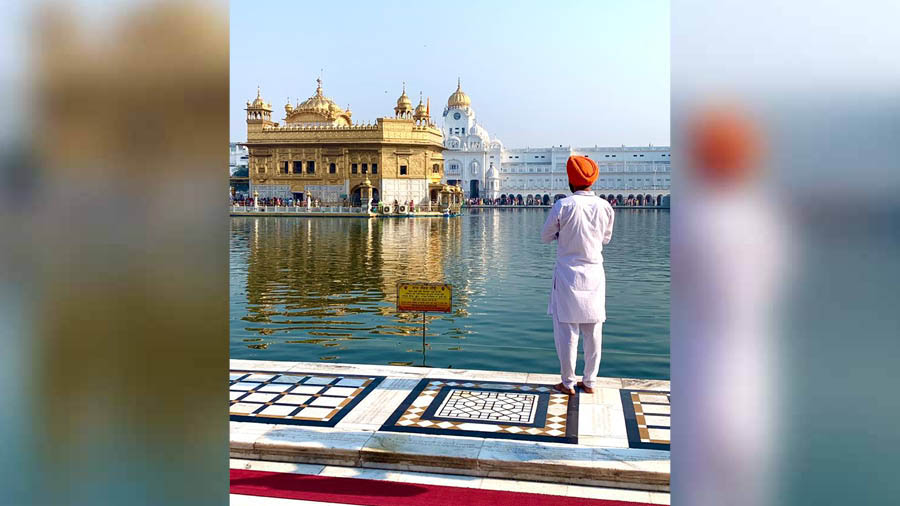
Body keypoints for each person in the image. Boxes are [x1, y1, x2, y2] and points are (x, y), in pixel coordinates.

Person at [541, 155, 615, 396]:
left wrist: (563, 236)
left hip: (568, 275)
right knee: (593, 331)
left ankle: (568, 382)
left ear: (570, 181)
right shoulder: (605, 206)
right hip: (594, 273)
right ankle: (590, 382)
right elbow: (606, 239)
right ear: (593, 181)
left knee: (567, 330)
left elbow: (545, 236)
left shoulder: (563, 205)